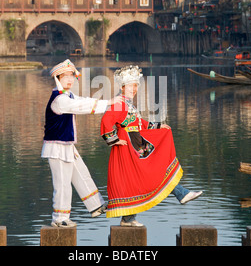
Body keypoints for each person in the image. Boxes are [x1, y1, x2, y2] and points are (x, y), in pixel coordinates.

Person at [100, 65, 202, 226]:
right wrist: (113, 139)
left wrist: (158, 125)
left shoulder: (128, 103)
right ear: (123, 87)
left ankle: (129, 218)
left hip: (136, 143)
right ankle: (180, 194)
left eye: (136, 85)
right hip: (127, 146)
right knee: (143, 176)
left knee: (141, 177)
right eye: (132, 86)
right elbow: (106, 120)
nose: (134, 89)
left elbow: (139, 123)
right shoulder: (119, 103)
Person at [42, 59, 123, 227]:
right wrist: (108, 103)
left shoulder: (68, 95)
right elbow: (80, 106)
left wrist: (108, 102)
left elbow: (83, 100)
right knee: (63, 183)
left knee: (82, 173)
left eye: (72, 76)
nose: (70, 80)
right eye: (66, 77)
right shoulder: (59, 100)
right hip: (56, 147)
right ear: (58, 78)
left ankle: (96, 206)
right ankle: (59, 218)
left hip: (67, 145)